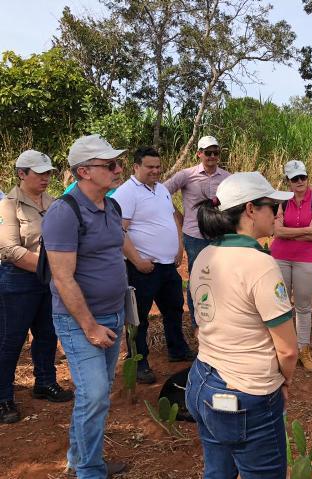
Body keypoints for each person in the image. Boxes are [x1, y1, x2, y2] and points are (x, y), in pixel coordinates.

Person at [186, 172, 298, 479]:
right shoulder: (260, 264)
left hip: (202, 382)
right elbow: (287, 349)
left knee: (217, 472)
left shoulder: (205, 254)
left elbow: (202, 319)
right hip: (246, 395)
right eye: (272, 207)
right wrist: (282, 384)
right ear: (250, 209)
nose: (278, 213)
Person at [42, 134, 128, 478]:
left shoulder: (112, 205)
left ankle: (80, 457)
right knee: (94, 396)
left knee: (99, 393)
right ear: (84, 172)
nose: (118, 168)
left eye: (117, 163)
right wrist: (90, 326)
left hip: (115, 314)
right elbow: (63, 278)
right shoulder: (65, 212)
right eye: (110, 165)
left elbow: (115, 251)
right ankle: (89, 470)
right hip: (81, 321)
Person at [0, 150, 73, 424]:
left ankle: (45, 381)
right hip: (18, 281)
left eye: (48, 172)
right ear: (21, 174)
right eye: (39, 173)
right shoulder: (8, 205)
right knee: (10, 340)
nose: (46, 177)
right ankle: (4, 397)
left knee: (47, 333)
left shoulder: (53, 203)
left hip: (48, 279)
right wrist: (51, 267)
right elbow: (8, 250)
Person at [111, 147, 195, 385]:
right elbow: (119, 230)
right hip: (142, 270)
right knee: (139, 318)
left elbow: (172, 219)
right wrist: (137, 261)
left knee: (174, 309)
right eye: (150, 167)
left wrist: (178, 248)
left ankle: (177, 349)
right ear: (136, 167)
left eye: (158, 167)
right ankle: (139, 362)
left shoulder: (161, 190)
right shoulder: (126, 193)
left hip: (168, 267)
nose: (155, 171)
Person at [164, 136, 230, 327]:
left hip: (219, 236)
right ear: (199, 154)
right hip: (194, 236)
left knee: (220, 278)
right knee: (198, 279)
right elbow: (162, 192)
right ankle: (198, 324)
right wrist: (178, 216)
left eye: (215, 153)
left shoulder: (227, 178)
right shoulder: (186, 175)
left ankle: (218, 321)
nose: (211, 156)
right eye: (207, 152)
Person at [271, 160, 312, 372]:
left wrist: (288, 232)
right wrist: (305, 232)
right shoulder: (282, 201)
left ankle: (303, 348)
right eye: (295, 178)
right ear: (288, 181)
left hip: (307, 260)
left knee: (303, 306)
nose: (300, 181)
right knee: (281, 304)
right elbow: (278, 232)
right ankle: (283, 348)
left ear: (307, 177)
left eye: (302, 177)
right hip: (280, 258)